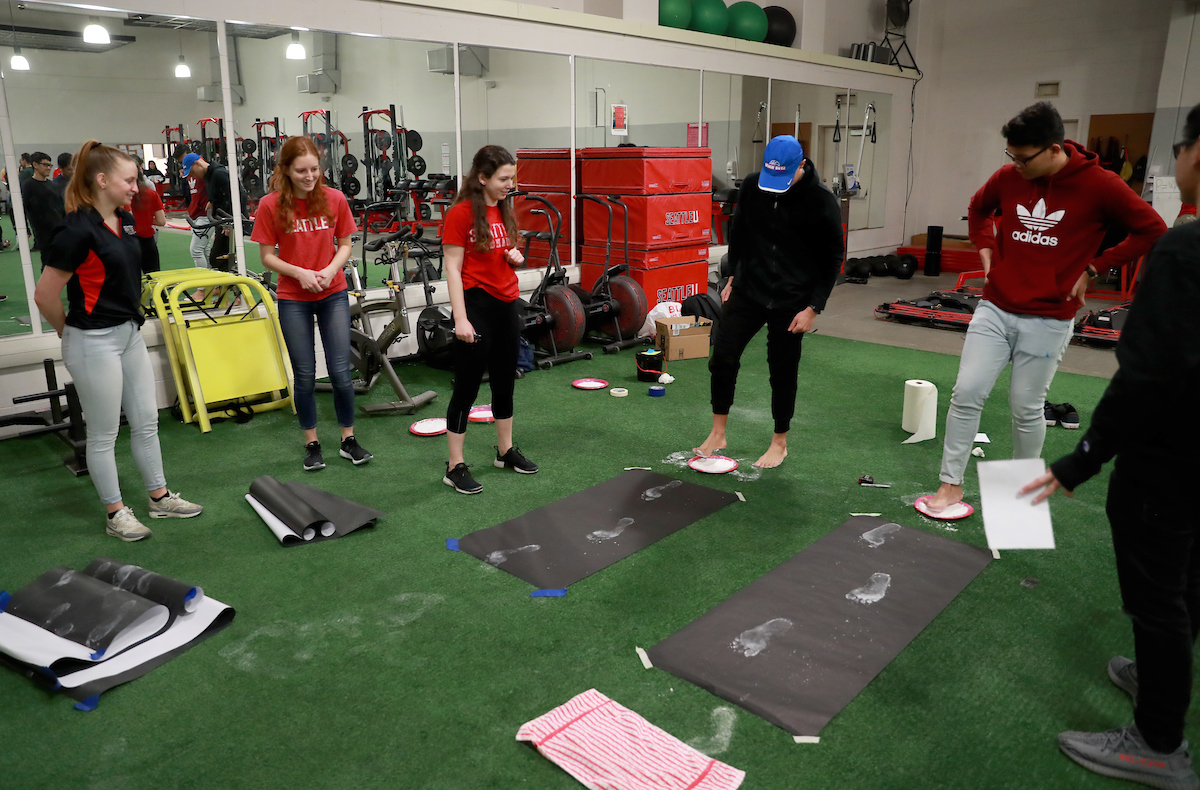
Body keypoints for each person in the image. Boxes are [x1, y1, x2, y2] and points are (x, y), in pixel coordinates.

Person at [1020, 103, 1200, 790]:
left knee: (1157, 593)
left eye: (1179, 148)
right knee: (1188, 577)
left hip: (1168, 457)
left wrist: (1082, 459)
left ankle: (1159, 742)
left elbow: (1147, 376)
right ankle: (1163, 674)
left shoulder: (1185, 249)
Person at [921, 102, 1167, 518]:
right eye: (1010, 157)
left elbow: (1153, 229)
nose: (1015, 166)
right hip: (996, 308)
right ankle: (949, 484)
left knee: (1025, 407)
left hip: (1050, 317)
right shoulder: (1008, 177)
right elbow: (979, 208)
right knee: (966, 393)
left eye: (1023, 158)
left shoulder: (1102, 185)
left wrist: (1095, 267)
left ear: (1054, 149)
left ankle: (1018, 499)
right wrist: (985, 248)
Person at [32, 141, 203, 542]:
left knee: (146, 422)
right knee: (105, 433)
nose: (135, 186)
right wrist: (69, 332)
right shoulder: (75, 229)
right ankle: (115, 513)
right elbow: (45, 295)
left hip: (128, 334)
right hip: (92, 341)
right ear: (102, 180)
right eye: (129, 180)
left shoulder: (124, 220)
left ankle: (159, 498)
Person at [693, 135, 843, 468]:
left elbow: (833, 257)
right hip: (750, 289)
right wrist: (732, 276)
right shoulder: (752, 186)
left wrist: (813, 307)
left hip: (793, 299)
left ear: (801, 166)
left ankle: (780, 442)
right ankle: (718, 432)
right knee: (723, 357)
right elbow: (740, 232)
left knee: (782, 370)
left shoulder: (821, 201)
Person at [250, 136, 372, 471]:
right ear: (286, 170)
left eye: (314, 169)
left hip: (332, 291)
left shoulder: (334, 199)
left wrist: (329, 270)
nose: (309, 176)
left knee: (340, 372)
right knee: (304, 375)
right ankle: (312, 443)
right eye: (301, 170)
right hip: (294, 297)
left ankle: (348, 439)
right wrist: (301, 274)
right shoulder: (270, 205)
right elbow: (266, 257)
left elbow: (345, 245)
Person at [440, 145, 535, 495]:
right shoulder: (461, 214)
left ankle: (505, 451)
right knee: (466, 387)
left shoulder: (505, 209)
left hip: (507, 305)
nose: (510, 184)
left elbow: (506, 255)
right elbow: (452, 268)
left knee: (504, 382)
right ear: (483, 178)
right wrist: (460, 319)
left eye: (513, 177)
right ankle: (454, 466)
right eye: (504, 178)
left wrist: (515, 257)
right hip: (475, 306)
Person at [21, 151, 64, 258]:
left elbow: (62, 208)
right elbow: (23, 210)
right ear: (35, 165)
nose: (48, 168)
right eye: (45, 165)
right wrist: (25, 230)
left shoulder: (54, 186)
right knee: (48, 264)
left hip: (60, 232)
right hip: (43, 234)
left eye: (50, 165)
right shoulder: (27, 186)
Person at [129, 157, 166, 274]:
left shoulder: (119, 195)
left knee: (131, 280)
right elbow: (161, 221)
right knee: (154, 278)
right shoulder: (151, 193)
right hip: (147, 241)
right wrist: (147, 219)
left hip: (128, 240)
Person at [181, 152, 212, 269]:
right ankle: (213, 280)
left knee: (196, 250)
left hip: (206, 215)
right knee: (204, 249)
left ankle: (203, 285)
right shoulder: (197, 173)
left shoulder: (210, 174)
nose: (192, 175)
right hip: (198, 214)